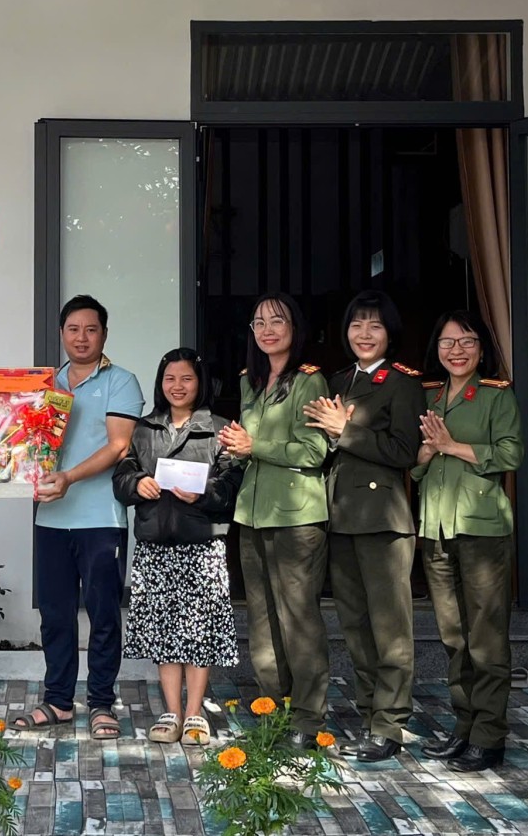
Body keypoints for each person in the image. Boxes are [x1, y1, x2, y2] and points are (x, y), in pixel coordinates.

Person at [12, 295, 143, 739]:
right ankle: (58, 701)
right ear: (61, 333)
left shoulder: (121, 381)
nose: (81, 337)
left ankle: (102, 703)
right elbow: (20, 440)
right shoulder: (43, 385)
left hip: (101, 518)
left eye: (91, 329)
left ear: (104, 334)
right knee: (55, 615)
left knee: (104, 614)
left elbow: (118, 446)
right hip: (51, 518)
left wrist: (68, 476)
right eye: (73, 329)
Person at [302, 289, 425, 763]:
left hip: (383, 520)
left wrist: (345, 430)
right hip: (339, 517)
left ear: (390, 332)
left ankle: (390, 723)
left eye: (375, 325)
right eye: (357, 324)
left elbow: (404, 451)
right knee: (354, 624)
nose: (365, 333)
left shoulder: (402, 383)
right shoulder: (337, 381)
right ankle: (370, 710)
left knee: (390, 626)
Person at [218, 292, 331, 749]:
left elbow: (315, 451)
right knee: (262, 621)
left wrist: (255, 446)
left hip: (296, 517)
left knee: (298, 620)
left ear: (294, 327)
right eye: (259, 322)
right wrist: (234, 448)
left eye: (277, 320)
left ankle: (308, 718)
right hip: (253, 513)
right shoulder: (252, 381)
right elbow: (249, 449)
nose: (267, 330)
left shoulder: (310, 380)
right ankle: (274, 710)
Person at [112, 348, 242, 747]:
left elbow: (232, 484)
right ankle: (171, 711)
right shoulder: (144, 429)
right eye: (170, 379)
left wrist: (203, 493)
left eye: (186, 378)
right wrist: (137, 483)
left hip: (202, 545)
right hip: (156, 545)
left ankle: (195, 713)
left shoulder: (220, 429)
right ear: (160, 383)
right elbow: (121, 476)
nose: (178, 386)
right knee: (164, 632)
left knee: (200, 632)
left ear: (200, 383)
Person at [413, 309, 522, 773]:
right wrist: (425, 452)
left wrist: (450, 445)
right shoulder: (429, 395)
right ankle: (464, 726)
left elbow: (511, 453)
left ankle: (489, 736)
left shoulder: (496, 395)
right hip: (435, 527)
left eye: (466, 341)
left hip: (481, 529)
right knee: (454, 637)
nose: (456, 350)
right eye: (447, 342)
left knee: (486, 638)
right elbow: (416, 465)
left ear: (481, 348)